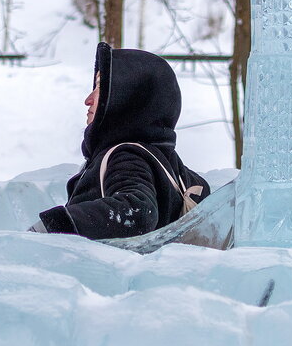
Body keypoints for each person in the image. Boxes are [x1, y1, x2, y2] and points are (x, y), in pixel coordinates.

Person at [31, 42, 209, 240]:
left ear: (127, 98)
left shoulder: (125, 156)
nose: (88, 99)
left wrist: (57, 224)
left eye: (100, 87)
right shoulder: (170, 165)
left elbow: (138, 211)